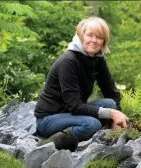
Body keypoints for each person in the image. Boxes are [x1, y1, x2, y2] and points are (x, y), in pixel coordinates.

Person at [34, 16, 129, 151]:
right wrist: (111, 114)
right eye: (90, 35)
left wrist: (118, 118)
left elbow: (112, 93)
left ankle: (80, 135)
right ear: (81, 36)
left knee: (110, 104)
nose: (94, 41)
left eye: (99, 37)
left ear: (104, 42)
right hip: (48, 119)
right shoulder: (68, 61)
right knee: (92, 124)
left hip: (71, 114)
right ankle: (47, 145)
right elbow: (74, 106)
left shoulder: (98, 60)